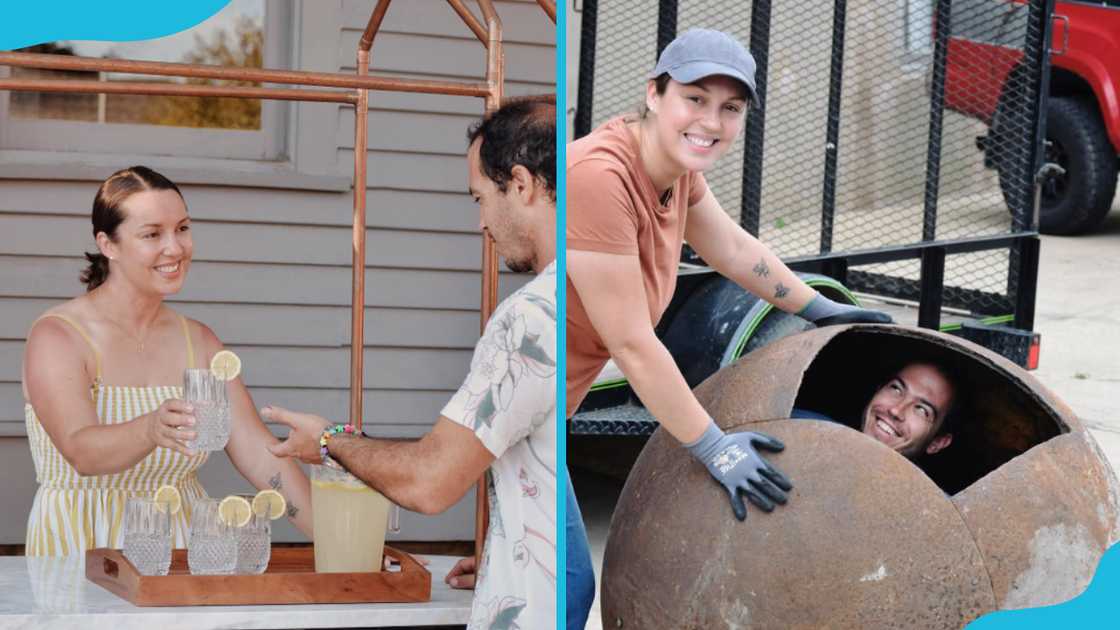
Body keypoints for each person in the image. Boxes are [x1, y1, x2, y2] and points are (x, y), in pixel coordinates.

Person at [565, 28, 893, 628]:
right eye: (694, 98)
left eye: (730, 108)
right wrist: (713, 447)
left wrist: (817, 307)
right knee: (563, 587)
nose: (711, 122)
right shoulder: (600, 177)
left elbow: (732, 249)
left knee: (529, 576)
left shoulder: (674, 169)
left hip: (552, 404)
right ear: (654, 93)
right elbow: (632, 345)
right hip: (525, 406)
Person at [263, 97, 556, 630]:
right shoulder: (593, 291)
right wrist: (511, 553)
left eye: (481, 198)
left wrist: (328, 440)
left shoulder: (530, 318)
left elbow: (430, 480)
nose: (481, 223)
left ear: (521, 184)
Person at [20, 166, 312, 555]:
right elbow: (81, 452)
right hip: (80, 544)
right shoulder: (59, 336)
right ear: (108, 245)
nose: (175, 248)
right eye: (152, 234)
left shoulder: (200, 342)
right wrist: (150, 428)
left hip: (179, 551)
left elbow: (261, 457)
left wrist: (338, 540)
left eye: (182, 228)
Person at [794, 361, 960, 459]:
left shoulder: (934, 506)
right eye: (896, 388)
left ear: (937, 442)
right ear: (878, 389)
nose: (896, 410)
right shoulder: (798, 429)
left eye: (922, 410)